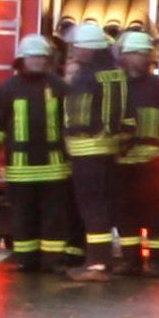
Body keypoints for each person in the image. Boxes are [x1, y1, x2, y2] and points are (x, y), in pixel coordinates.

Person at [0, 33, 72, 272]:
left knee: (53, 216)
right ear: (21, 60)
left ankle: (52, 260)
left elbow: (69, 123)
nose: (37, 62)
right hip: (20, 168)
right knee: (23, 216)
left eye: (41, 57)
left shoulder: (59, 87)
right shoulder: (7, 90)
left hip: (54, 167)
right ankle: (25, 260)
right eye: (33, 57)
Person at [61, 21, 129, 282]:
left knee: (91, 206)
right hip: (107, 149)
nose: (74, 53)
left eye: (77, 48)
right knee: (101, 205)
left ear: (87, 50)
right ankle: (101, 260)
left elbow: (74, 112)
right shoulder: (115, 73)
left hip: (86, 149)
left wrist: (66, 82)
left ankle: (97, 264)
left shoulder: (85, 78)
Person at [113, 30, 159, 276]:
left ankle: (157, 262)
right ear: (126, 56)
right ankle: (130, 261)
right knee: (124, 213)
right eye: (139, 54)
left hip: (152, 163)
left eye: (147, 54)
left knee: (155, 214)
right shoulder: (115, 84)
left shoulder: (158, 86)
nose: (144, 59)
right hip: (122, 161)